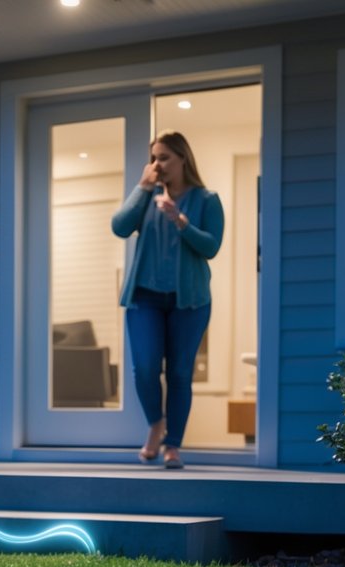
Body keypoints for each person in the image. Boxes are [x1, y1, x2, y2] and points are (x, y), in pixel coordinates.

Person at [111, 130, 224, 469]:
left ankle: (172, 445)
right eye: (154, 158)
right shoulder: (146, 196)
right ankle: (155, 425)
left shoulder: (206, 199)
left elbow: (211, 247)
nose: (157, 164)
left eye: (164, 158)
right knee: (144, 368)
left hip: (189, 302)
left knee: (178, 372)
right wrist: (143, 187)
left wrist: (181, 221)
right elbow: (119, 227)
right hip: (145, 298)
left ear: (182, 158)